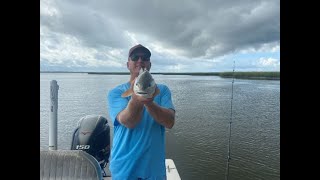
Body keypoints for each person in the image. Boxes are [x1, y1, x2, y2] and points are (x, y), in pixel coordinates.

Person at [107, 44, 175, 180]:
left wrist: (149, 102)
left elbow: (170, 122)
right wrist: (136, 97)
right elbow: (128, 122)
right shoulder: (116, 93)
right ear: (128, 64)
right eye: (135, 57)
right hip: (124, 168)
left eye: (145, 58)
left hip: (153, 170)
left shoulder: (163, 90)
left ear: (149, 64)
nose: (140, 60)